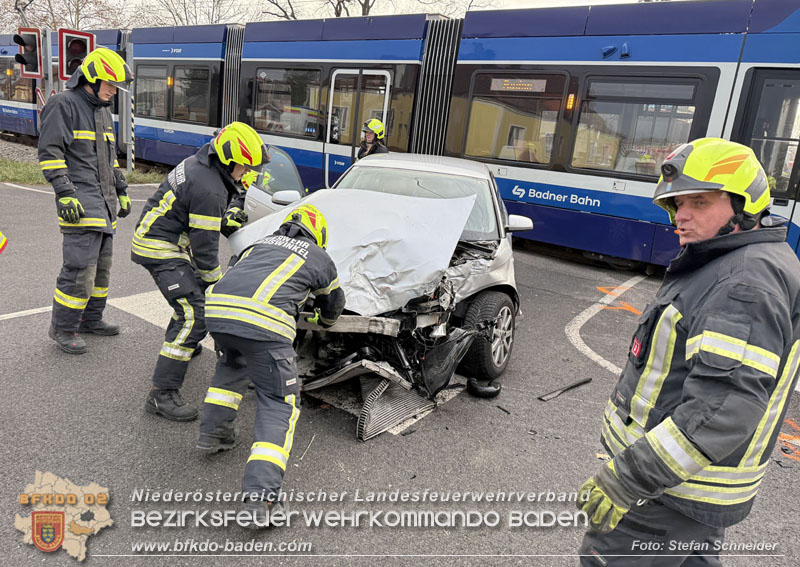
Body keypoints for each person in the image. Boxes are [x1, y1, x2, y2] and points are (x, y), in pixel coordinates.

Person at [577, 137, 800, 566]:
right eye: (677, 203)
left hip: (663, 497)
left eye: (699, 202)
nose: (681, 216)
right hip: (689, 492)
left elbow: (722, 409)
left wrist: (627, 479)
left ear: (743, 204)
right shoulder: (746, 259)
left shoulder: (742, 284)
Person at [197, 203, 345, 525]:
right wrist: (323, 318)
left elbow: (235, 273)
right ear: (317, 234)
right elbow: (334, 302)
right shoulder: (317, 256)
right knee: (279, 402)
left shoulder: (257, 245)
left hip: (219, 313)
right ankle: (262, 499)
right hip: (263, 327)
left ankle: (214, 434)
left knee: (231, 371)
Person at [131, 122, 268, 422]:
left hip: (162, 238)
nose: (246, 173)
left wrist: (225, 217)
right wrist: (215, 285)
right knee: (195, 314)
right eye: (244, 167)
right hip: (161, 247)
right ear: (229, 160)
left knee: (189, 302)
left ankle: (183, 345)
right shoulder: (208, 186)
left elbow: (199, 213)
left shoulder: (204, 163)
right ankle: (162, 395)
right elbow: (205, 250)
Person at [38, 47, 134, 354]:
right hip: (79, 200)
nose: (112, 91)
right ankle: (63, 328)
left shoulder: (103, 110)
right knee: (79, 268)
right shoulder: (62, 104)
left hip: (103, 203)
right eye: (108, 83)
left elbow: (110, 158)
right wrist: (64, 192)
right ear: (89, 79)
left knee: (102, 270)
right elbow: (50, 153)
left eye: (115, 86)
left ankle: (91, 319)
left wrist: (121, 189)